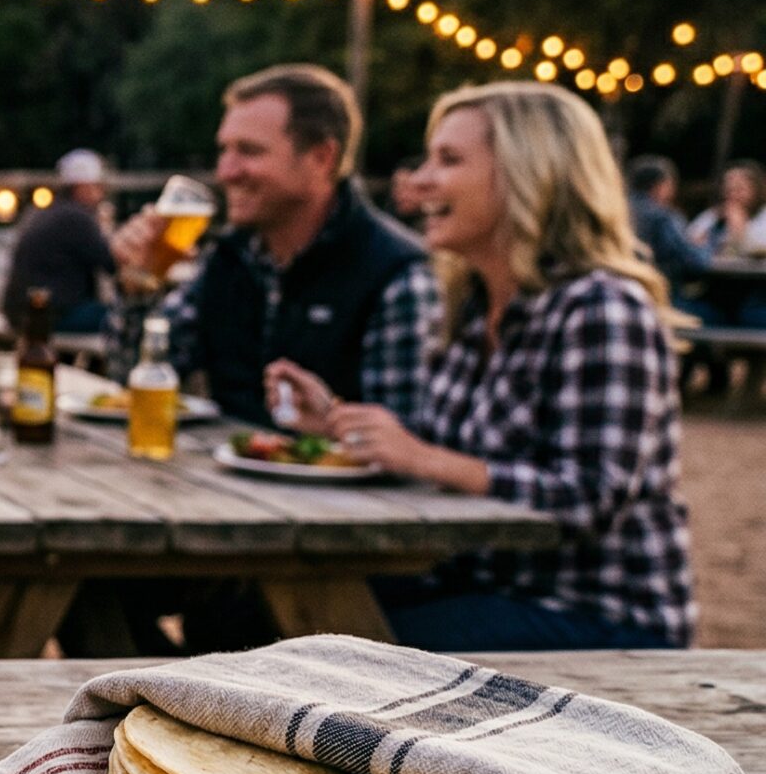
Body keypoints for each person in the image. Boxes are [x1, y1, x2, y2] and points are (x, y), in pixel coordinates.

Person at [271, 83, 695, 650]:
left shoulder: (602, 308)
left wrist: (423, 457)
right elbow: (448, 455)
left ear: (528, 174)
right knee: (258, 607)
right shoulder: (471, 307)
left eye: (448, 160)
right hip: (478, 588)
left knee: (321, 643)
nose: (421, 181)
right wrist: (338, 425)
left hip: (598, 617)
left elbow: (590, 500)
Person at [108, 63, 439, 426]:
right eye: (225, 150)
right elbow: (132, 379)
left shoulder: (395, 273)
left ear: (321, 158)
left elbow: (403, 446)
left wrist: (328, 423)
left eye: (248, 151)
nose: (226, 172)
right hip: (210, 479)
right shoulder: (230, 255)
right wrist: (138, 286)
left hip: (326, 484)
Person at [2, 148, 116, 334]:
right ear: (82, 186)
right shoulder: (77, 217)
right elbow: (111, 263)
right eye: (97, 186)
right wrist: (106, 230)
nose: (101, 194)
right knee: (124, 317)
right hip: (53, 315)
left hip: (22, 313)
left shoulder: (46, 212)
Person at [625, 155, 715, 321]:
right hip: (662, 302)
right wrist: (707, 244)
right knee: (721, 316)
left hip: (624, 298)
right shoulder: (664, 216)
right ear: (661, 185)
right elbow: (696, 263)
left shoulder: (617, 213)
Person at [689, 161, 766, 257]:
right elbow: (688, 243)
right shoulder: (712, 216)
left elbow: (759, 250)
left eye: (739, 189)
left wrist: (739, 228)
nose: (732, 195)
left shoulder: (763, 216)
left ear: (756, 191)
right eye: (728, 189)